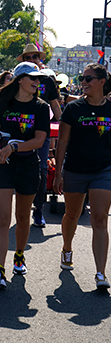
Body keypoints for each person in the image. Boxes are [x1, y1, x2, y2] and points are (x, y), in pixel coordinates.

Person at [0, 62, 49, 289]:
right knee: (2, 218)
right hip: (3, 165)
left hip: (28, 165)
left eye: (38, 79)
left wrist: (13, 147)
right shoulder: (4, 103)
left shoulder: (41, 107)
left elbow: (39, 140)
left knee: (22, 218)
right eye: (32, 77)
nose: (36, 82)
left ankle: (19, 254)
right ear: (20, 79)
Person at [54, 63, 111, 289]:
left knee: (99, 218)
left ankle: (101, 273)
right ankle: (67, 248)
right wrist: (58, 173)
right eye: (82, 78)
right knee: (72, 215)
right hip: (76, 169)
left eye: (88, 79)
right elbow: (63, 142)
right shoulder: (73, 109)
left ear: (101, 82)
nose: (84, 82)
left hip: (104, 170)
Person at [30, 68, 62, 227]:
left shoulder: (48, 81)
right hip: (21, 131)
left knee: (42, 168)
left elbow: (55, 105)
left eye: (36, 56)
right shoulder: (19, 77)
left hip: (43, 130)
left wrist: (64, 126)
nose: (33, 58)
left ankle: (38, 209)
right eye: (29, 57)